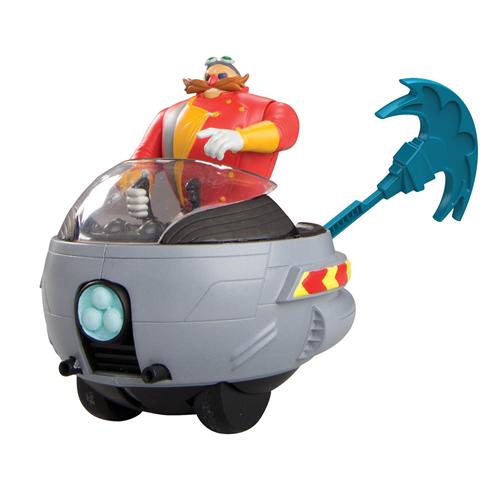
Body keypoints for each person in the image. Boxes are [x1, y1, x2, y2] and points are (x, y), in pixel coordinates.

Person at [123, 56, 299, 217]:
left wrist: (243, 138)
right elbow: (142, 159)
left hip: (246, 217)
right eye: (208, 77)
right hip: (186, 219)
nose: (212, 81)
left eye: (221, 76)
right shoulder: (170, 114)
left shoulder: (264, 107)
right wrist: (135, 188)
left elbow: (286, 126)